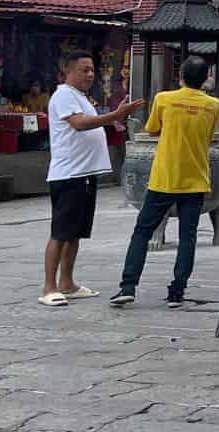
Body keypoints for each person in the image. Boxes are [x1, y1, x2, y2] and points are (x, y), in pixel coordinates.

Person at [110, 55, 219, 308]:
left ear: (180, 76)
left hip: (164, 178)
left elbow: (152, 129)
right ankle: (177, 292)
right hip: (195, 180)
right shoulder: (213, 105)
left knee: (142, 232)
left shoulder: (164, 99)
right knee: (188, 237)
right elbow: (211, 134)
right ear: (206, 79)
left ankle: (128, 286)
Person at [41, 49, 143, 307]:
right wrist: (114, 116)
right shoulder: (63, 94)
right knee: (60, 232)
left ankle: (67, 283)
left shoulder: (81, 96)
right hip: (69, 174)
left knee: (75, 233)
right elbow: (80, 123)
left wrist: (112, 117)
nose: (89, 74)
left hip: (85, 174)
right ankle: (49, 287)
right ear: (68, 71)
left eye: (91, 70)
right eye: (83, 69)